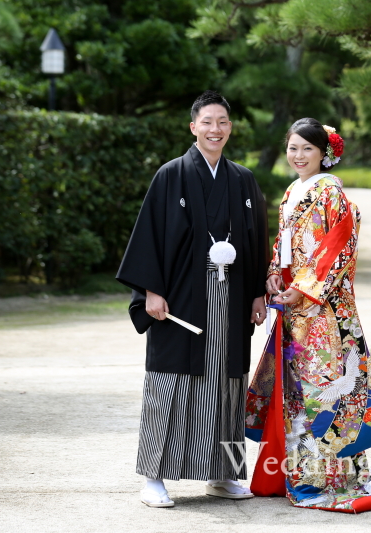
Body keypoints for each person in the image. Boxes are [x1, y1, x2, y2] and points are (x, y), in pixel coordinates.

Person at [244, 118, 371, 512]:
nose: (298, 156)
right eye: (292, 148)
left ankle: (327, 478)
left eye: (307, 149)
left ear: (324, 154)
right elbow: (283, 244)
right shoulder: (293, 191)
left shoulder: (332, 194)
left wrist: (304, 289)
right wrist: (274, 274)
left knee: (324, 390)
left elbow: (338, 247)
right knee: (297, 391)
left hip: (326, 311)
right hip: (294, 307)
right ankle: (298, 475)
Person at [116, 90, 269, 508]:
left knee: (228, 386)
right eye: (207, 122)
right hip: (182, 295)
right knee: (172, 383)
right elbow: (150, 235)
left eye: (222, 122)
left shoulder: (243, 179)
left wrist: (258, 292)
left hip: (233, 295)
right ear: (193, 127)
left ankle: (224, 475)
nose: (215, 129)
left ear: (230, 128)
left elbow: (257, 239)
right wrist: (150, 289)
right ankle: (153, 477)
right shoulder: (171, 175)